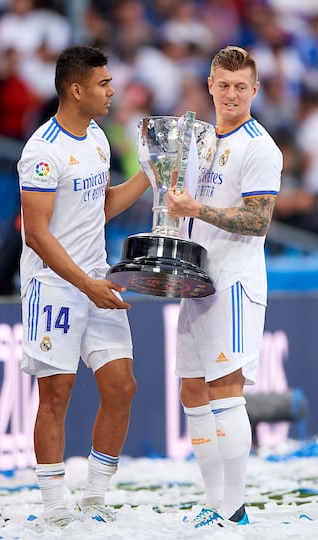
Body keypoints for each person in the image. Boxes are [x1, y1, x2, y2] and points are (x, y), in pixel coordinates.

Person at [17, 45, 150, 529]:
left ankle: (94, 499)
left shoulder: (97, 136)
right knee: (56, 395)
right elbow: (36, 233)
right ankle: (55, 508)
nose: (112, 91)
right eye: (104, 83)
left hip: (97, 278)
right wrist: (85, 285)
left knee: (122, 387)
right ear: (77, 89)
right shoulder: (42, 151)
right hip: (53, 285)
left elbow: (101, 206)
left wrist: (152, 174)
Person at [166, 46, 282, 528]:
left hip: (234, 283)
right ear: (210, 85)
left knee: (224, 388)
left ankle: (233, 507)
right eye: (224, 84)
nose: (232, 94)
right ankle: (213, 501)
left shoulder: (261, 147)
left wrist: (196, 210)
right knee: (192, 389)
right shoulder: (200, 140)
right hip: (198, 280)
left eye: (241, 86)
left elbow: (258, 221)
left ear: (254, 91)